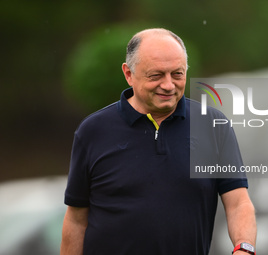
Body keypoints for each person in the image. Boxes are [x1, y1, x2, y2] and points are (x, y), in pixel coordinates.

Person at [60, 28, 256, 255]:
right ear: (128, 74)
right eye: (156, 75)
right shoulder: (93, 131)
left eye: (177, 74)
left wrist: (244, 248)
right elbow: (76, 220)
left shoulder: (213, 125)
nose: (168, 85)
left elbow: (238, 203)